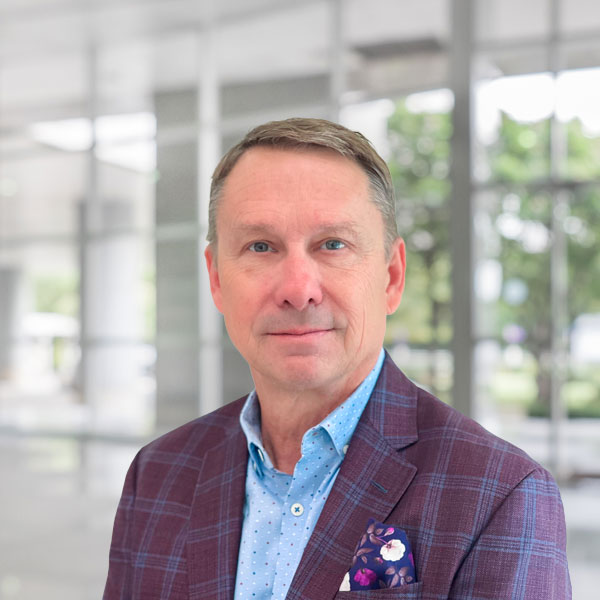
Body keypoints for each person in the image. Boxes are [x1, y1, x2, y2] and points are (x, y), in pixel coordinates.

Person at [103, 118, 571, 599]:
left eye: (333, 245)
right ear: (217, 279)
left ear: (391, 277)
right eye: (260, 246)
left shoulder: (500, 495)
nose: (298, 290)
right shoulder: (157, 474)